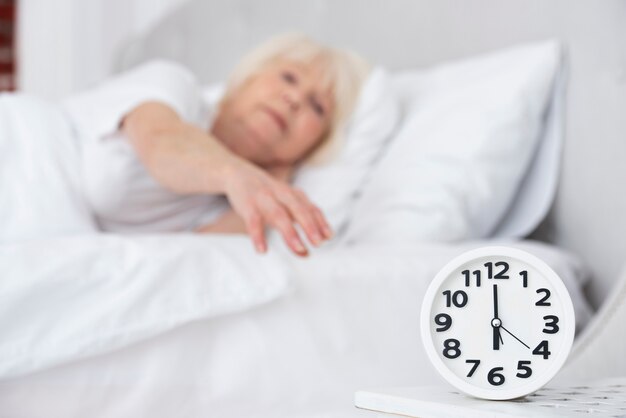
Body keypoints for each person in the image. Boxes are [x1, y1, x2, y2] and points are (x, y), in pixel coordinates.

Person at [63, 33, 370, 257]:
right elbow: (161, 142)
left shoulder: (228, 205)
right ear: (250, 76)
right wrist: (237, 174)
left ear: (316, 143)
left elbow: (186, 263)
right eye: (289, 78)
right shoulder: (173, 88)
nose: (294, 100)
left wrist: (276, 179)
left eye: (317, 107)